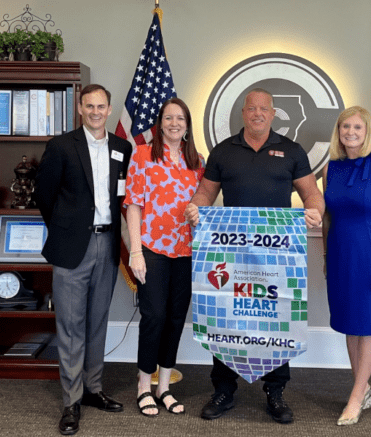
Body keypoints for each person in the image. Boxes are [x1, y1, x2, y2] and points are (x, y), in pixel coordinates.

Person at [185, 88, 324, 424]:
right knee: (228, 315)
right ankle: (223, 390)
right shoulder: (223, 151)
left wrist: (316, 212)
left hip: (276, 255)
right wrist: (195, 208)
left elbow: (311, 195)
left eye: (264, 109)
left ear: (273, 114)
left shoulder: (291, 151)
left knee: (276, 316)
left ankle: (275, 392)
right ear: (243, 113)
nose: (257, 114)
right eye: (251, 109)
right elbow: (205, 192)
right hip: (231, 253)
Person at [34, 84, 132, 435]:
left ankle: (92, 389)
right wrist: (66, 229)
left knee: (96, 322)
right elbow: (44, 196)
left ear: (109, 110)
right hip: (72, 247)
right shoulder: (61, 146)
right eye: (88, 106)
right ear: (80, 108)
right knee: (71, 327)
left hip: (106, 246)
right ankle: (71, 401)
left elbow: (123, 197)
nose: (94, 111)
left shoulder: (122, 148)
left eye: (100, 106)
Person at [124, 97, 205, 417]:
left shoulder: (197, 161)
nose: (174, 123)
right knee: (154, 317)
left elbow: (204, 204)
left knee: (174, 319)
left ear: (187, 125)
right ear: (159, 123)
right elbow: (133, 205)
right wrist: (135, 251)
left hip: (186, 252)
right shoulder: (144, 155)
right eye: (169, 118)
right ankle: (144, 386)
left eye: (180, 119)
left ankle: (164, 387)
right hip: (152, 250)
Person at [321, 106, 371, 426]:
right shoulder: (330, 169)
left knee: (366, 326)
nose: (350, 132)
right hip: (340, 256)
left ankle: (355, 397)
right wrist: (326, 257)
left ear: (367, 132)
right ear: (338, 132)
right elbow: (327, 218)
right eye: (345, 127)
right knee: (350, 324)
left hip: (370, 257)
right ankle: (362, 386)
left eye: (357, 127)